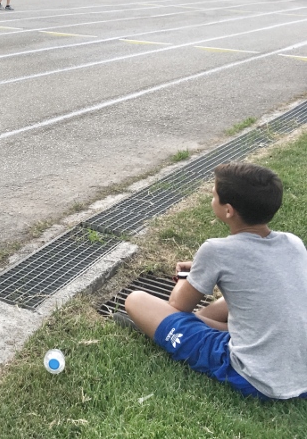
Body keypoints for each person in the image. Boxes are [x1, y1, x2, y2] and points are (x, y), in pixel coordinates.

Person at [124, 163, 307, 401]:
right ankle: (199, 321)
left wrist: (186, 276)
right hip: (300, 372)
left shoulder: (216, 250)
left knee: (136, 300)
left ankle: (168, 326)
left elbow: (178, 305)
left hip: (256, 378)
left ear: (228, 210)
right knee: (248, 297)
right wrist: (203, 269)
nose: (212, 199)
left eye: (214, 195)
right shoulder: (293, 242)